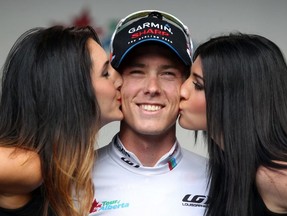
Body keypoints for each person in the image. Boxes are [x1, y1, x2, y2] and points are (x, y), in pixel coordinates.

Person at [89, 10, 209, 216]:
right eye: (137, 72)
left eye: (168, 74)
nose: (152, 88)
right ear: (116, 82)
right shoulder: (70, 179)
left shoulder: (221, 180)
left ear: (186, 85)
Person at [0, 25, 123, 216]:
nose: (120, 81)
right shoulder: (28, 166)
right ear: (72, 92)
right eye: (105, 73)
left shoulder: (62, 170)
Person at [179, 33, 287, 216]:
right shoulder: (232, 164)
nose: (182, 90)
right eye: (187, 77)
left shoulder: (275, 177)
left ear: (236, 98)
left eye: (198, 85)